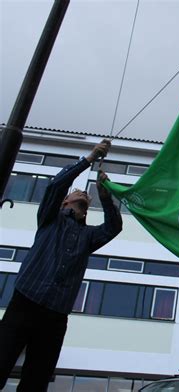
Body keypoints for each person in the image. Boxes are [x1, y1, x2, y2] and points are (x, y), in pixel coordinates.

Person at [0, 139, 123, 391]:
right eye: (75, 193)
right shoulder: (49, 219)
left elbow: (114, 227)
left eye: (85, 194)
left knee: (37, 381)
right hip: (24, 304)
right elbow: (57, 184)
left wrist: (104, 196)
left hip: (56, 318)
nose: (81, 193)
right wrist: (89, 159)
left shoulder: (88, 236)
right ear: (64, 203)